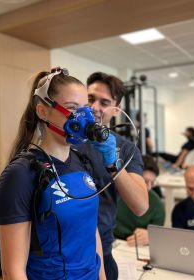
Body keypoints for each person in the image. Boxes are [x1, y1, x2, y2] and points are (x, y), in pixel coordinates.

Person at [0, 68, 106, 279]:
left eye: (85, 108)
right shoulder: (21, 174)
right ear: (42, 111)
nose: (83, 118)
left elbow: (91, 231)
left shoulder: (82, 162)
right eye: (72, 108)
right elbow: (12, 271)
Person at [75, 72, 148, 280]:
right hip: (61, 249)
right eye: (90, 99)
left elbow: (141, 205)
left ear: (116, 110)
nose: (94, 107)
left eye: (104, 102)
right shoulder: (64, 139)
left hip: (102, 249)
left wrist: (113, 163)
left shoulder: (125, 149)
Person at [114, 155, 165, 246]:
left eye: (152, 183)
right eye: (145, 181)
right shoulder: (113, 196)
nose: (148, 187)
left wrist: (151, 237)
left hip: (139, 248)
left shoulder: (157, 204)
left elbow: (159, 236)